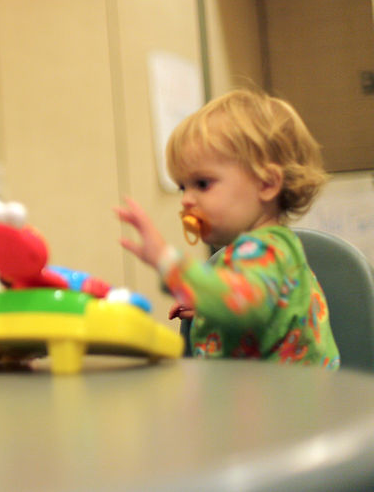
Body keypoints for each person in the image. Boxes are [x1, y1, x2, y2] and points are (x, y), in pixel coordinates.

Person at [114, 89, 340, 369]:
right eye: (183, 187)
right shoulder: (269, 250)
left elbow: (241, 302)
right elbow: (258, 306)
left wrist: (165, 260)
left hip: (280, 407)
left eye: (203, 184)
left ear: (266, 184)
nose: (186, 199)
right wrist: (211, 306)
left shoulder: (265, 251)